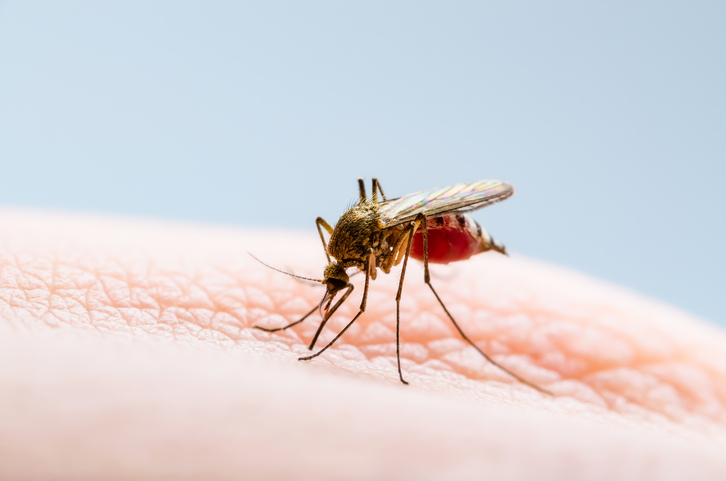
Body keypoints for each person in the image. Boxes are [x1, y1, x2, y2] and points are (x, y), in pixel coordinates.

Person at [1, 209, 725, 479]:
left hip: (419, 230)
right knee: (379, 264)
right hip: (388, 230)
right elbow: (345, 252)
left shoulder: (375, 246)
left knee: (413, 286)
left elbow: (375, 252)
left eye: (335, 278)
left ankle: (415, 346)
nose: (338, 279)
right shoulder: (342, 248)